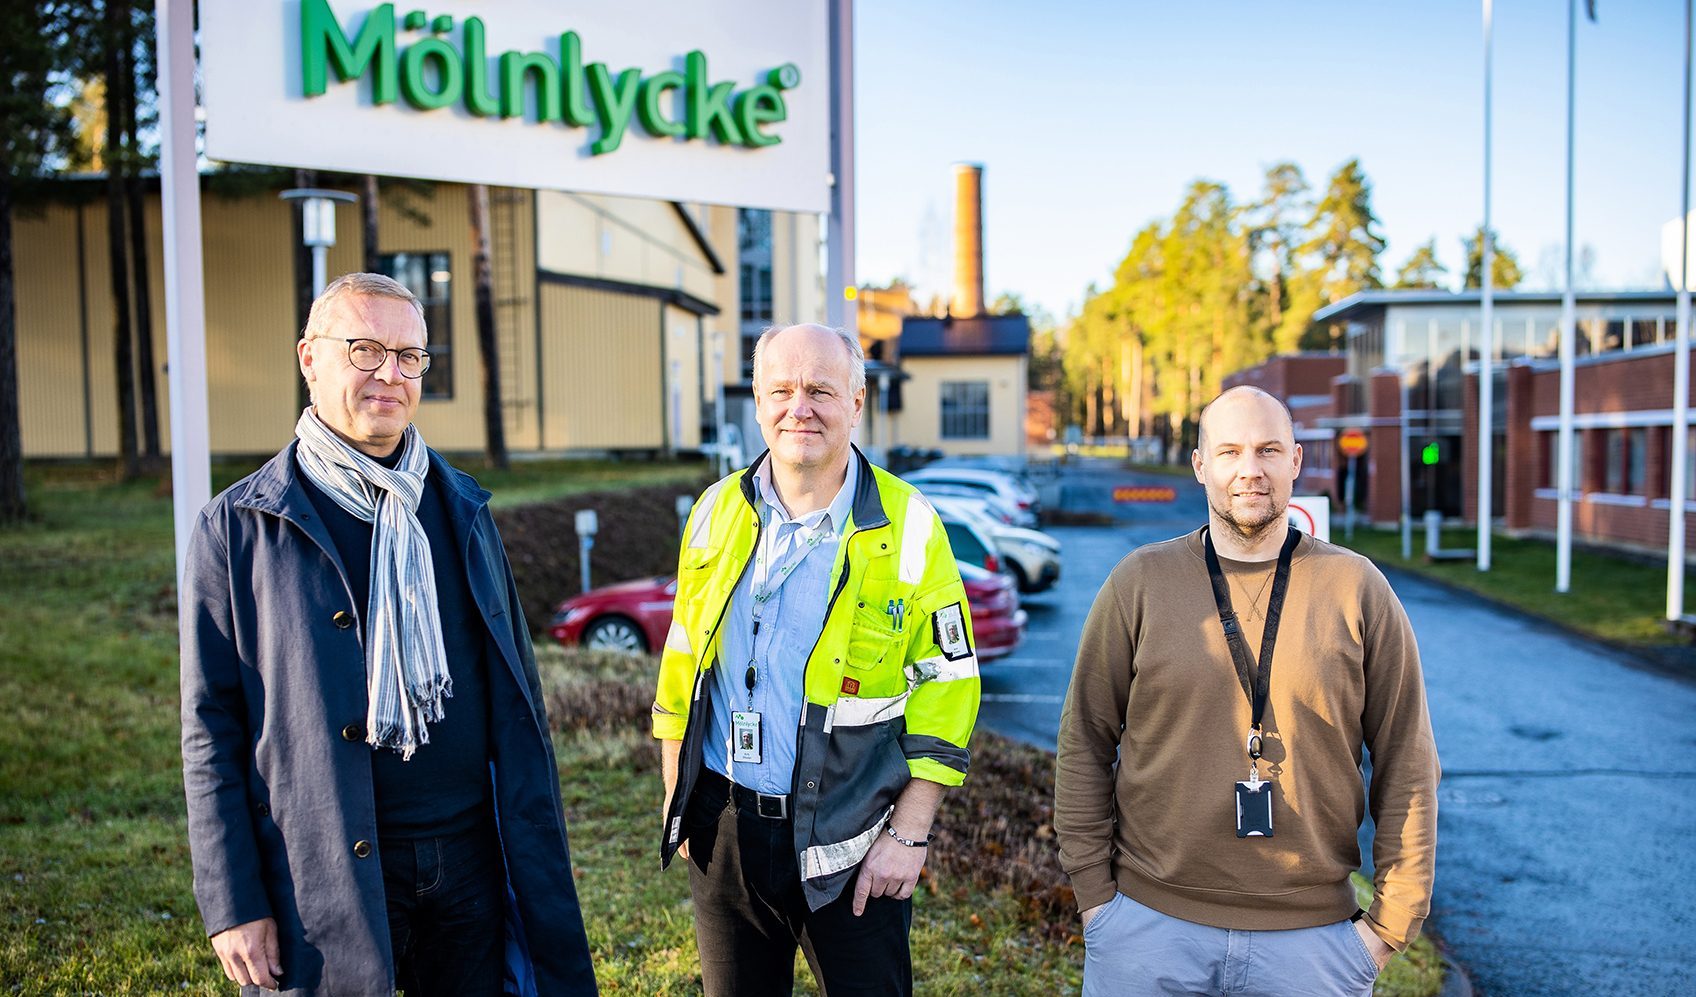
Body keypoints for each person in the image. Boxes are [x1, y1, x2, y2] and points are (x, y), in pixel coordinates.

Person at [180, 272, 597, 996]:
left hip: (469, 864)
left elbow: (515, 692)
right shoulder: (240, 526)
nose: (390, 375)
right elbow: (209, 726)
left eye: (409, 356)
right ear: (309, 358)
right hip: (322, 878)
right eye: (365, 349)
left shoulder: (462, 505)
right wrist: (234, 904)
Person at [1054, 385, 1439, 997]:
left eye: (1268, 450)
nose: (1250, 470)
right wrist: (1095, 898)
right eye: (1229, 451)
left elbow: (1408, 761)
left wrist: (1391, 925)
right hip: (1148, 932)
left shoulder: (1355, 587)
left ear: (1296, 462)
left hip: (1312, 947)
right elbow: (1084, 741)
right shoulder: (1140, 582)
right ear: (1201, 465)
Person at [651, 323, 980, 996]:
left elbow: (949, 686)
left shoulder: (909, 524)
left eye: (820, 390)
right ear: (757, 400)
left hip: (852, 843)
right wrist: (674, 794)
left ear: (856, 402)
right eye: (781, 389)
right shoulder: (715, 509)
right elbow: (682, 659)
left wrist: (909, 836)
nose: (798, 407)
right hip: (726, 834)